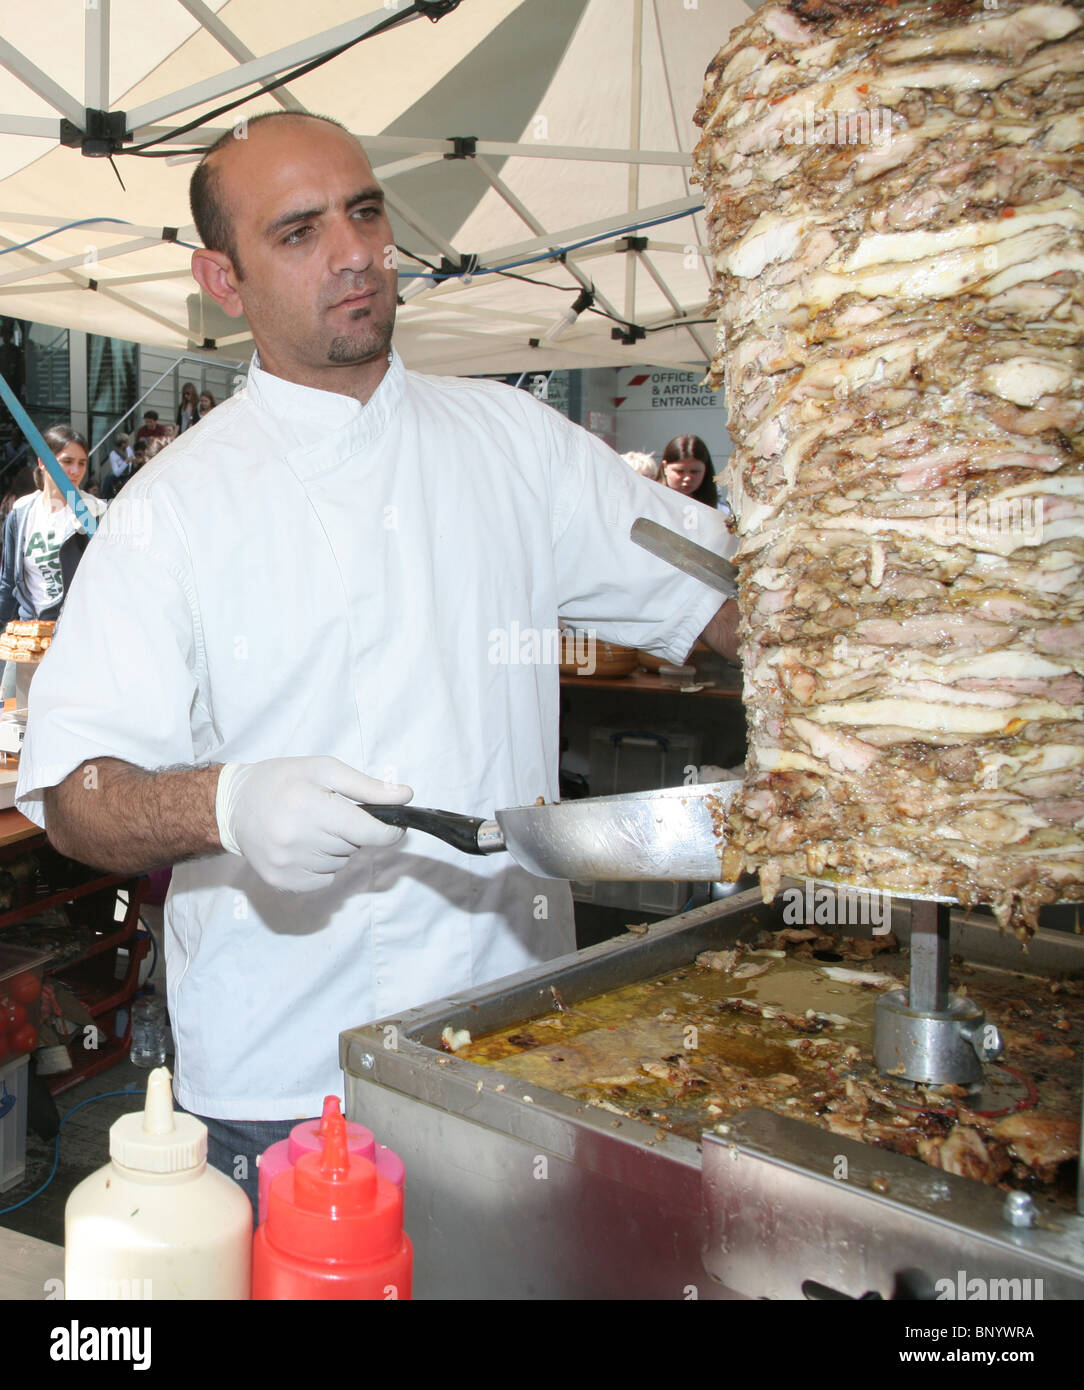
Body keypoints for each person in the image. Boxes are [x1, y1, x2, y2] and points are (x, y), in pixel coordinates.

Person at [16, 112, 737, 1199]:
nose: (354, 252)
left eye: (363, 212)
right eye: (299, 232)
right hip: (281, 1078)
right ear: (225, 278)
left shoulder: (516, 444)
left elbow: (729, 603)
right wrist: (227, 804)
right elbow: (75, 796)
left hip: (510, 1037)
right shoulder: (171, 511)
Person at [0, 426, 106, 697]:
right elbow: (8, 582)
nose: (75, 471)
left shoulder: (95, 512)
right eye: (67, 461)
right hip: (29, 641)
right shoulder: (21, 512)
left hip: (75, 641)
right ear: (43, 462)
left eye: (82, 463)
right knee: (22, 723)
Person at [660, 434, 719, 508]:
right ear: (665, 467)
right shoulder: (648, 501)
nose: (687, 478)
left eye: (694, 472)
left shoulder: (720, 511)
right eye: (680, 471)